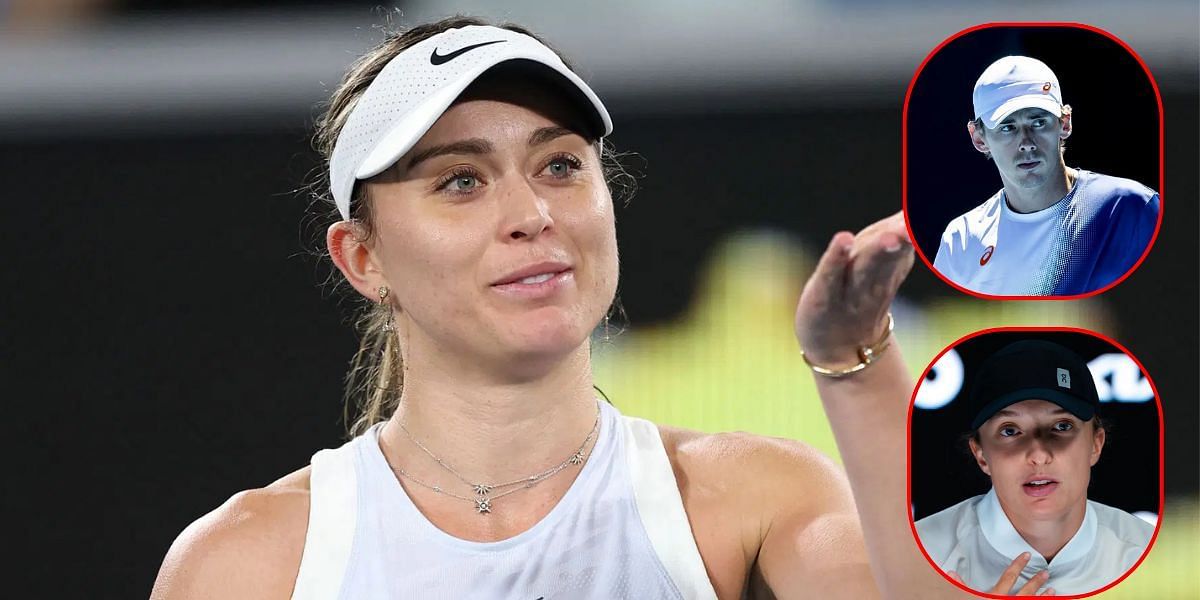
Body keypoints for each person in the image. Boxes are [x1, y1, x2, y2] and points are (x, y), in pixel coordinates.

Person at [150, 16, 963, 599]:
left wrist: (856, 369)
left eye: (561, 165)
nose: (532, 212)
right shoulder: (248, 566)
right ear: (364, 259)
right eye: (461, 180)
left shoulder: (754, 500)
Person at [915, 340, 1154, 596]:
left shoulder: (1147, 551)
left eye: (1061, 427)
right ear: (981, 454)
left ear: (1096, 444)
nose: (1039, 455)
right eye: (1010, 431)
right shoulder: (918, 555)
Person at [931, 55, 1160, 297]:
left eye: (1038, 122)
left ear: (1064, 123)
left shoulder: (1129, 207)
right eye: (1008, 128)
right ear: (978, 138)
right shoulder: (961, 239)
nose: (1026, 143)